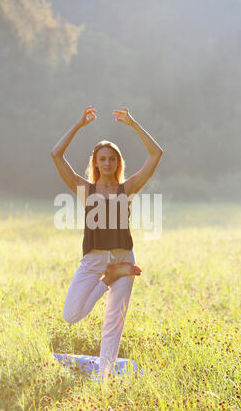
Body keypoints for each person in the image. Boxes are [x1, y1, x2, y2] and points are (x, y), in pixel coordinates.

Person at [51, 106, 163, 380]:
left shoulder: (129, 187)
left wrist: (134, 124)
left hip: (125, 258)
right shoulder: (83, 188)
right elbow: (56, 154)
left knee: (113, 323)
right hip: (94, 262)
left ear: (118, 162)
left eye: (112, 159)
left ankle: (104, 379)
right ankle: (107, 279)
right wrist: (78, 124)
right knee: (71, 315)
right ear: (96, 163)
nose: (108, 163)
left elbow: (156, 154)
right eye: (103, 159)